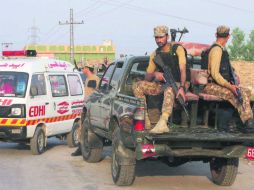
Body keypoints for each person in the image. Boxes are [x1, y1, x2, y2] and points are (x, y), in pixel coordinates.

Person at [132, 25, 187, 134]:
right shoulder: (155, 54)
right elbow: (148, 77)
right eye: (156, 38)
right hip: (163, 84)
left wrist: (181, 87)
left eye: (161, 37)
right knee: (138, 85)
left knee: (171, 88)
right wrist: (155, 74)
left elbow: (183, 70)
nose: (158, 40)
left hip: (180, 82)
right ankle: (145, 120)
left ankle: (163, 122)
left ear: (167, 36)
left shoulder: (178, 49)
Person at [202, 25, 254, 132]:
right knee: (236, 93)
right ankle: (247, 123)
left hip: (218, 84)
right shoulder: (217, 50)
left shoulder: (221, 49)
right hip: (211, 85)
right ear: (228, 37)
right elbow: (215, 74)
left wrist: (232, 83)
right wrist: (230, 86)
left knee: (246, 91)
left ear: (216, 35)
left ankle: (239, 122)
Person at [71, 65, 100, 156]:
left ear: (87, 68)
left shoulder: (94, 79)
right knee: (81, 126)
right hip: (86, 106)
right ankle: (81, 147)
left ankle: (84, 148)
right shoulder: (88, 79)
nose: (82, 69)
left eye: (83, 68)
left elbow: (94, 93)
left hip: (90, 107)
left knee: (85, 127)